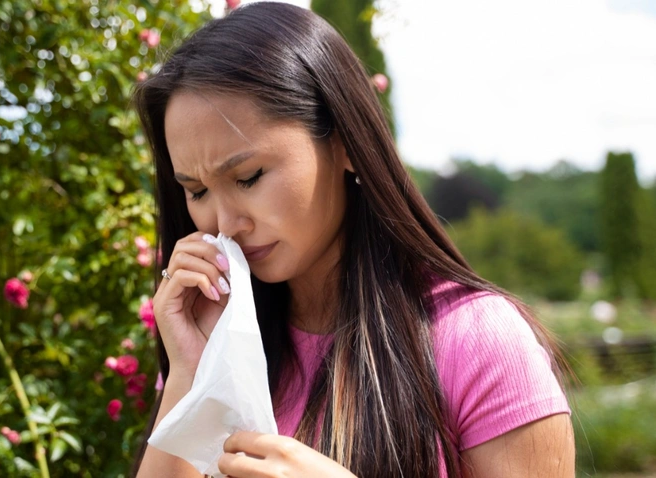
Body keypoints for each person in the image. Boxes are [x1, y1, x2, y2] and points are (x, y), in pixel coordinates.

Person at [130, 2, 574, 477]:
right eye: (195, 191)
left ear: (343, 143)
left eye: (249, 176)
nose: (223, 224)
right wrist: (191, 376)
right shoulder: (218, 341)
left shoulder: (476, 340)